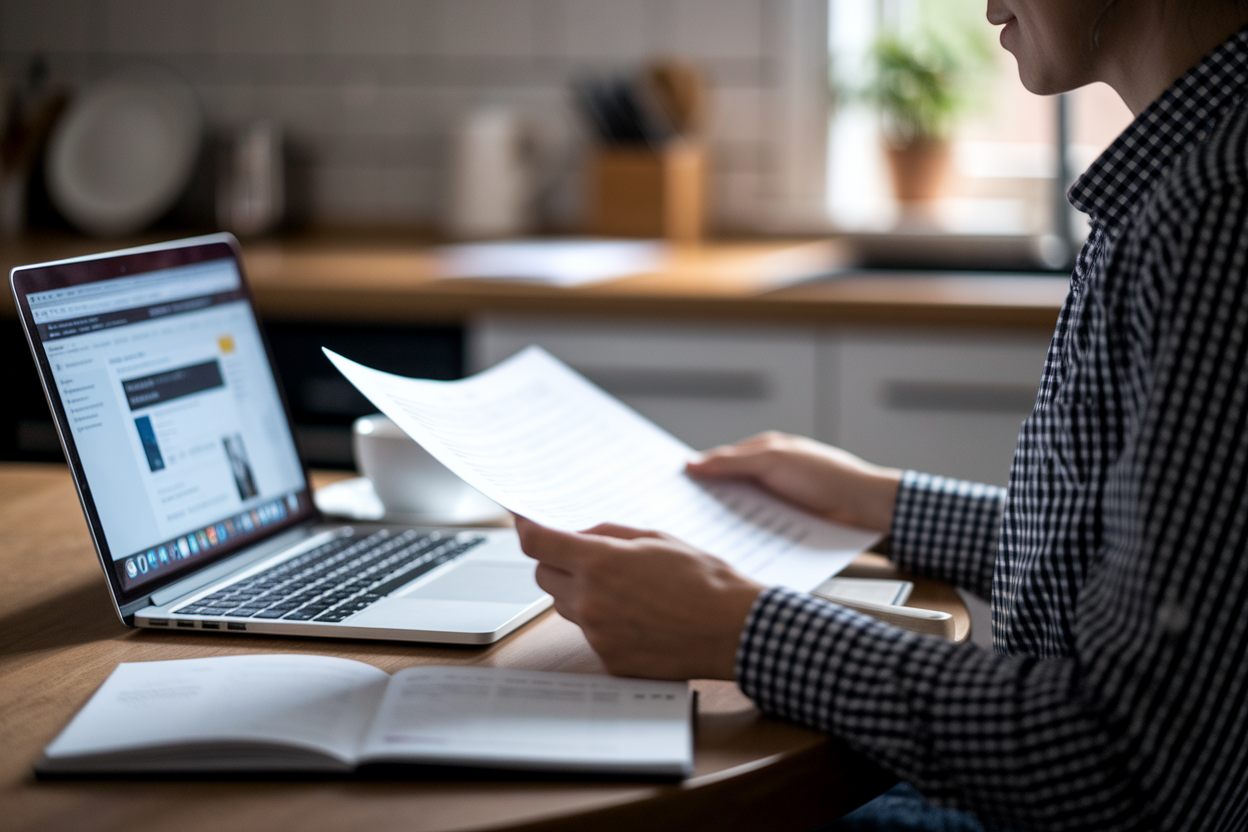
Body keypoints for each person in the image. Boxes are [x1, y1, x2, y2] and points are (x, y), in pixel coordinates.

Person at [515, 0, 1248, 829]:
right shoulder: (1188, 177)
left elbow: (1123, 757)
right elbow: (1151, 564)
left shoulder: (1213, 212)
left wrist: (743, 631)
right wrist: (885, 503)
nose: (988, 4)